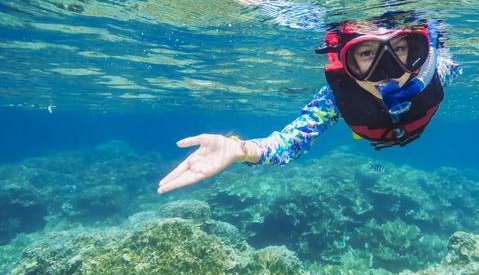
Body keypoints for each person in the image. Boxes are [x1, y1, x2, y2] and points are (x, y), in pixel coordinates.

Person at [158, 13, 462, 194]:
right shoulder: (335, 98)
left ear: (418, 51)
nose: (388, 71)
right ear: (346, 63)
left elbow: (455, 65)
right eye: (367, 55)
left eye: (399, 49)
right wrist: (240, 150)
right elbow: (289, 142)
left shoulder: (437, 71)